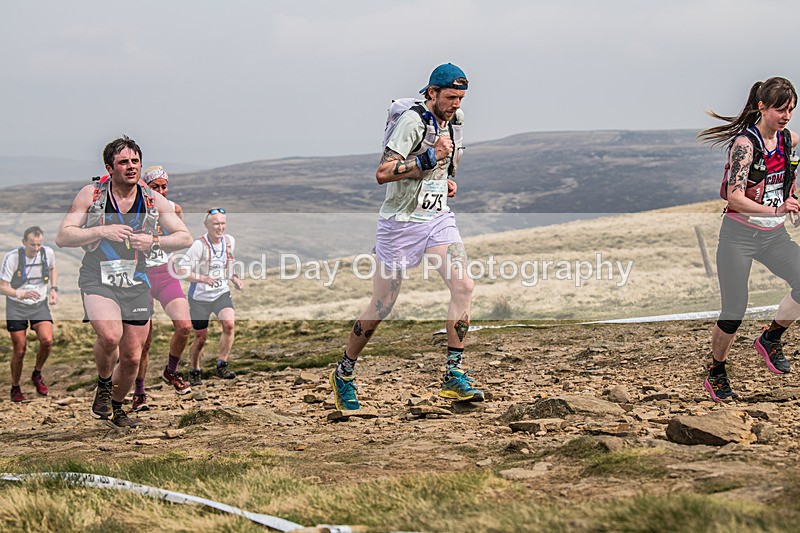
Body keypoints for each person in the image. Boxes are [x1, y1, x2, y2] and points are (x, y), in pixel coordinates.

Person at [330, 63, 483, 411]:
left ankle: (453, 375)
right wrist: (430, 158)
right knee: (383, 305)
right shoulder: (412, 122)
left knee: (464, 286)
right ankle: (344, 371)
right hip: (400, 223)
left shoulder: (454, 123)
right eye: (450, 97)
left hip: (436, 218)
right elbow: (383, 173)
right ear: (431, 93)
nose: (456, 104)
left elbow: (437, 168)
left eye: (460, 98)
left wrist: (443, 181)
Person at [55, 136, 192, 427]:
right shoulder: (92, 195)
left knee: (131, 357)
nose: (131, 167)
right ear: (110, 167)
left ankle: (116, 407)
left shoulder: (152, 199)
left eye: (134, 162)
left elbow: (184, 237)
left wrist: (153, 240)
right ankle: (104, 383)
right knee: (109, 336)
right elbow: (64, 236)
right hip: (98, 276)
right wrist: (102, 232)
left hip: (136, 279)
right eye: (123, 162)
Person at [698, 77, 800, 402]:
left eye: (791, 110)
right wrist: (776, 209)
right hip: (739, 235)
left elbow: (784, 181)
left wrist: (793, 202)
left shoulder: (789, 141)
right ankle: (717, 371)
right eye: (780, 110)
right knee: (734, 309)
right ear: (762, 107)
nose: (786, 116)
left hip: (773, 237)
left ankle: (771, 338)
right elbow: (735, 197)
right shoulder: (745, 145)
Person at [130, 166, 193, 412]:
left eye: (163, 186)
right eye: (154, 187)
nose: (160, 191)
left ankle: (171, 371)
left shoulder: (174, 209)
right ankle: (139, 392)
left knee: (185, 326)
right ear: (145, 187)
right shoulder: (134, 209)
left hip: (165, 274)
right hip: (140, 275)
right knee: (143, 343)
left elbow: (179, 236)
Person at [178, 208, 244, 386]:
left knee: (229, 325)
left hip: (221, 293)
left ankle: (222, 364)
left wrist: (234, 278)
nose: (220, 227)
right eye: (216, 223)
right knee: (201, 337)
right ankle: (195, 369)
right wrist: (202, 278)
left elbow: (228, 263)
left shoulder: (229, 241)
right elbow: (181, 270)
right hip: (200, 298)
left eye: (222, 223)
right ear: (207, 225)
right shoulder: (199, 246)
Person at [0, 226, 58, 402]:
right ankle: (15, 387)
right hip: (16, 306)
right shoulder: (12, 258)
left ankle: (37, 373)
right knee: (19, 350)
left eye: (39, 244)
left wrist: (53, 289)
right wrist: (21, 294)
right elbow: (2, 287)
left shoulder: (47, 253)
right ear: (24, 242)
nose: (36, 248)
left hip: (38, 305)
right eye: (32, 245)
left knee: (47, 341)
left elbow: (53, 268)